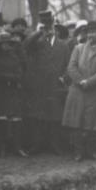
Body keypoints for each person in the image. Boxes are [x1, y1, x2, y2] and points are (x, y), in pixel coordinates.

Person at [22, 10, 72, 154]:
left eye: (52, 29)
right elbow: (25, 45)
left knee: (55, 117)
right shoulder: (37, 43)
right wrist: (39, 32)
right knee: (38, 117)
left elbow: (68, 65)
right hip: (40, 85)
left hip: (55, 85)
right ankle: (37, 145)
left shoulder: (63, 46)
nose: (50, 32)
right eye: (47, 29)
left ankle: (55, 145)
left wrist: (64, 77)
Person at [63, 21, 96, 161]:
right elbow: (71, 67)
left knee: (93, 123)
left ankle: (91, 151)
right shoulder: (78, 48)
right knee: (76, 122)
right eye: (89, 32)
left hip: (95, 91)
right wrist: (80, 81)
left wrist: (89, 82)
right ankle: (78, 152)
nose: (91, 35)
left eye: (94, 32)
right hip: (77, 90)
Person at [0, 31, 28, 157]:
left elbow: (20, 72)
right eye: (3, 44)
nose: (6, 46)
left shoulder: (14, 57)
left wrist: (12, 78)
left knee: (16, 120)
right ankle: (2, 148)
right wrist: (9, 78)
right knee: (1, 120)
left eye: (8, 43)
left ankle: (17, 147)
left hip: (13, 91)